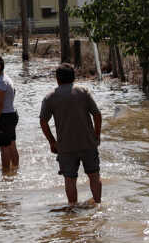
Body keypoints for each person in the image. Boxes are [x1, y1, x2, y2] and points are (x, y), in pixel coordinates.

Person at [39, 63, 103, 206]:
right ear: (73, 77)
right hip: (88, 142)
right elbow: (97, 115)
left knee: (69, 179)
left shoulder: (50, 97)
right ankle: (98, 205)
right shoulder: (84, 92)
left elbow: (43, 122)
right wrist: (96, 136)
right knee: (94, 175)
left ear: (57, 79)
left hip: (65, 146)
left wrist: (52, 141)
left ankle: (73, 208)